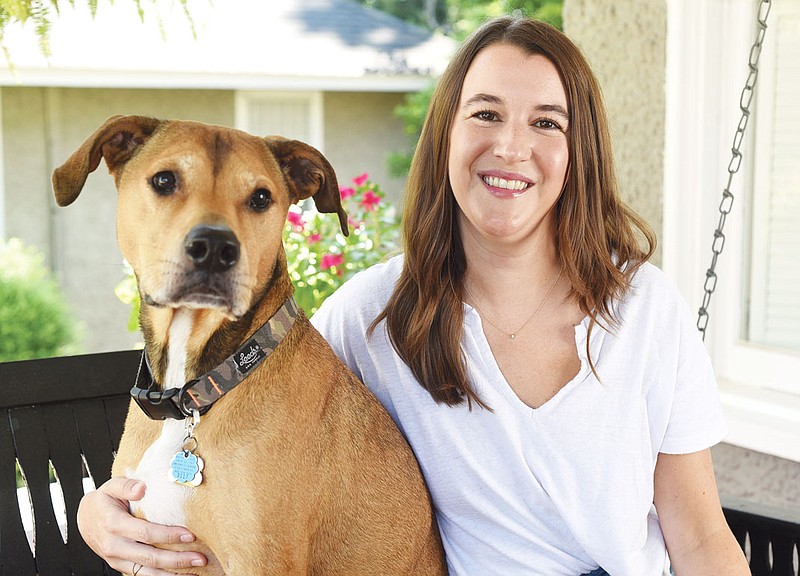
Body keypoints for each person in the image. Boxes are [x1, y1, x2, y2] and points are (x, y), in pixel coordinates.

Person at [77, 16, 750, 576]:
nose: (513, 146)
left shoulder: (645, 309)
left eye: (548, 122)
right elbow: (248, 409)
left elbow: (698, 537)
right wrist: (98, 514)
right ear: (446, 137)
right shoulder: (370, 318)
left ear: (581, 152)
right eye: (486, 113)